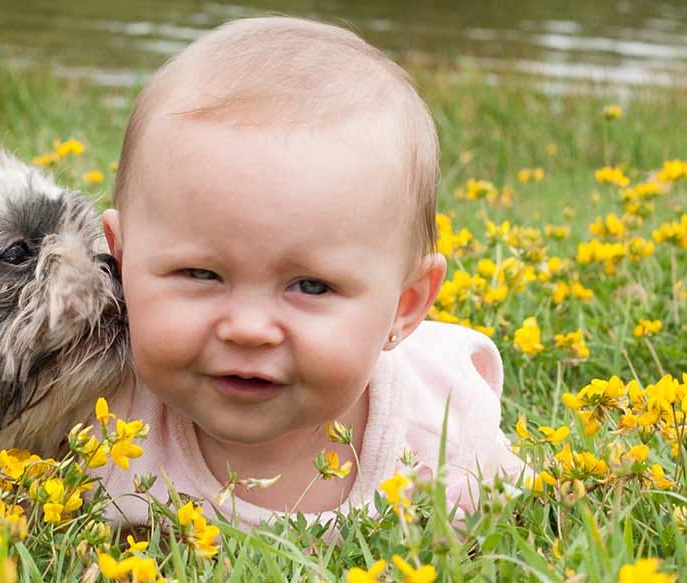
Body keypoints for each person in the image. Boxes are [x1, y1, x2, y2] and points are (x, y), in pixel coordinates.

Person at [94, 16, 528, 526]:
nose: (248, 329)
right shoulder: (102, 423)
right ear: (121, 261)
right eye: (200, 274)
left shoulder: (442, 439)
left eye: (311, 286)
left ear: (405, 306)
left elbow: (539, 528)